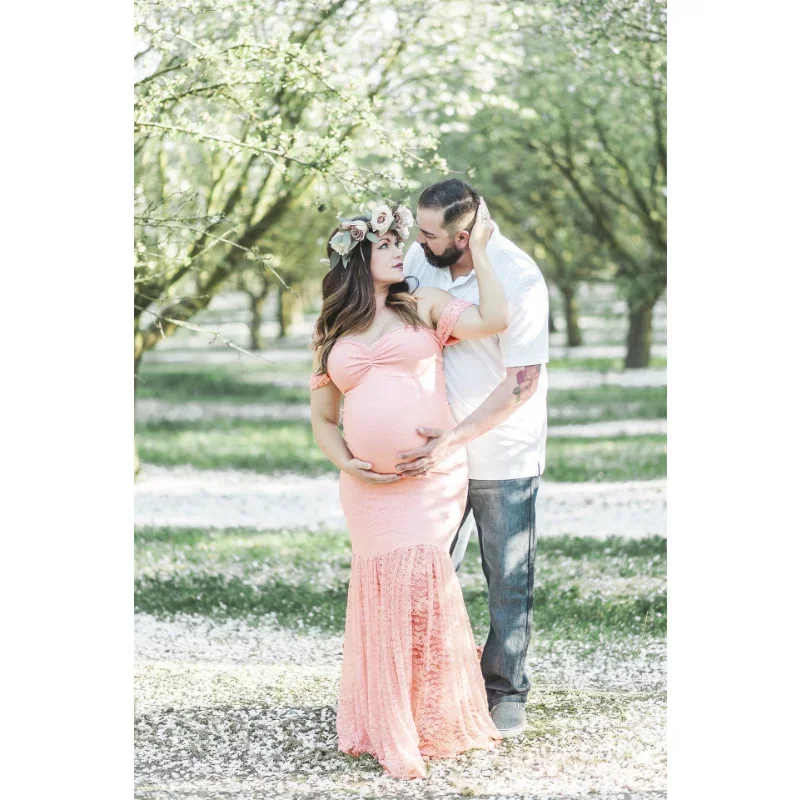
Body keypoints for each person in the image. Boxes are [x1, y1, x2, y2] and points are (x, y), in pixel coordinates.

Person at [309, 200, 507, 779]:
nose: (402, 250)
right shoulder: (332, 328)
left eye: (401, 241)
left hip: (429, 476)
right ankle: (392, 719)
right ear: (360, 258)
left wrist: (484, 254)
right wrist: (349, 463)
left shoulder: (421, 306)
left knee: (419, 579)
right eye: (389, 244)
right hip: (367, 488)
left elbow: (494, 319)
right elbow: (323, 417)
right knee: (380, 590)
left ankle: (431, 717)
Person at [399, 178, 549, 739]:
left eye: (430, 231)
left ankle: (506, 691)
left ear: (464, 237)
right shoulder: (420, 256)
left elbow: (521, 383)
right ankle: (425, 688)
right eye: (418, 227)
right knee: (424, 571)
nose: (419, 238)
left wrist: (457, 437)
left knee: (507, 579)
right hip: (432, 452)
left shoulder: (518, 275)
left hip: (501, 454)